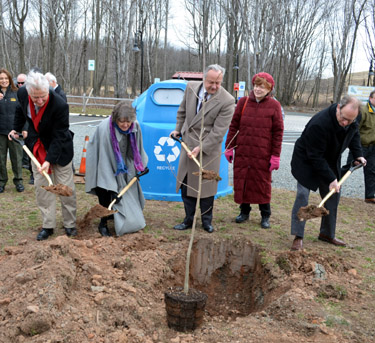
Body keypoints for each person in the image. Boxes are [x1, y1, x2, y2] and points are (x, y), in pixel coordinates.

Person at [290, 95, 366, 251]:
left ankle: (327, 234)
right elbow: (315, 157)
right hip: (307, 160)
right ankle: (298, 236)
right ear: (338, 107)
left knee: (333, 195)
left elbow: (354, 135)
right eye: (343, 118)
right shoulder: (320, 123)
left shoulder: (352, 119)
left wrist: (358, 154)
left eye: (350, 121)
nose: (345, 123)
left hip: (330, 159)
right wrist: (331, 178)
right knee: (303, 195)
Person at [8, 71, 77, 241]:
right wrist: (16, 128)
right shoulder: (23, 93)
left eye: (43, 97)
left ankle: (70, 224)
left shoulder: (60, 105)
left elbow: (60, 135)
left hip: (60, 150)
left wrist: (49, 161)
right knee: (43, 188)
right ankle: (48, 225)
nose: (39, 101)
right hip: (37, 146)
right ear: (29, 92)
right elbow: (20, 109)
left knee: (64, 187)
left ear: (49, 91)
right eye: (35, 97)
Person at [170, 64, 235, 233]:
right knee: (187, 185)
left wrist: (201, 147)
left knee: (206, 188)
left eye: (218, 83)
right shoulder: (190, 88)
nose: (214, 86)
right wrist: (178, 129)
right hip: (187, 145)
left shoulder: (227, 101)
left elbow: (218, 132)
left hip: (208, 149)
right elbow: (182, 111)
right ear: (204, 78)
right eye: (211, 82)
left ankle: (207, 221)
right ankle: (188, 220)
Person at [225, 72, 284, 229]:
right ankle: (244, 212)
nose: (258, 89)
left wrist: (275, 156)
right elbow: (234, 126)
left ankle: (265, 215)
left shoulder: (274, 106)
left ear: (269, 89)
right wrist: (229, 147)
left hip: (262, 153)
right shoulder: (243, 102)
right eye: (257, 85)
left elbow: (278, 132)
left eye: (263, 87)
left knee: (262, 184)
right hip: (243, 151)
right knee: (243, 181)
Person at [85, 101, 148, 236]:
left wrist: (141, 166)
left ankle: (119, 214)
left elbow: (138, 149)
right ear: (115, 119)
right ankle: (103, 223)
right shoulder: (105, 129)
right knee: (105, 191)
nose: (126, 125)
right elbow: (105, 160)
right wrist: (112, 188)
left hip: (124, 162)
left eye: (128, 121)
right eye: (122, 121)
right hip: (102, 161)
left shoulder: (135, 126)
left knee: (126, 191)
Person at [0, 68, 24, 193]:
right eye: (1, 79)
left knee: (16, 158)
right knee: (1, 159)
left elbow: (23, 113)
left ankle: (18, 181)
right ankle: (1, 181)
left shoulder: (17, 93)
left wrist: (22, 130)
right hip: (1, 133)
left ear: (10, 79)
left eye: (6, 78)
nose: (4, 81)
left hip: (14, 132)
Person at [348, 90, 375, 204]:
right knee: (348, 168)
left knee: (372, 171)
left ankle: (369, 196)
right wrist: (355, 148)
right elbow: (355, 129)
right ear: (370, 98)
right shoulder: (363, 111)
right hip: (360, 147)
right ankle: (333, 187)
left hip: (373, 147)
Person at [17, 73, 35, 185]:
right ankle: (32, 173)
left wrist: (26, 128)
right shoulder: (17, 93)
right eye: (18, 83)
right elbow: (20, 113)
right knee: (29, 153)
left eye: (22, 83)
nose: (19, 85)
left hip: (32, 128)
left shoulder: (33, 94)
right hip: (23, 126)